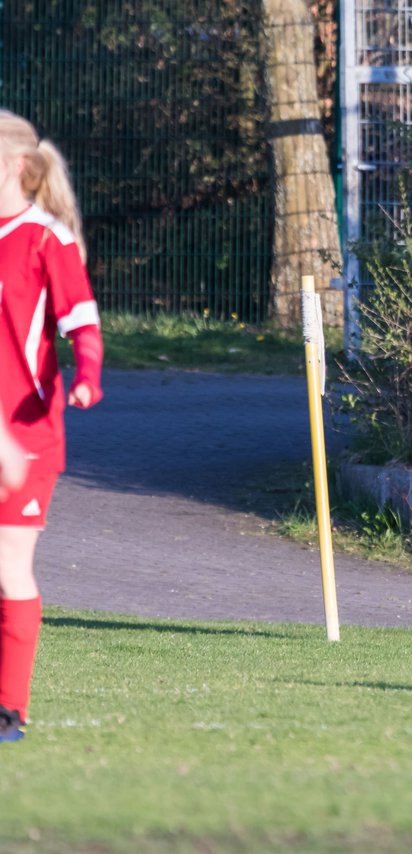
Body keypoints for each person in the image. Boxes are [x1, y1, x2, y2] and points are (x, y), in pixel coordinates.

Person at [0, 110, 104, 743]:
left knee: (9, 566)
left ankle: (10, 708)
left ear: (15, 165)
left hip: (27, 433)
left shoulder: (46, 239)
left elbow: (82, 324)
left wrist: (88, 375)